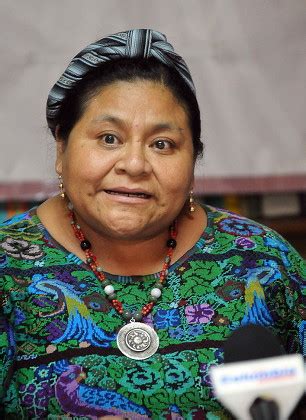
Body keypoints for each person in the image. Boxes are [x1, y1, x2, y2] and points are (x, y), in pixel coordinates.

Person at [0, 29, 304, 420]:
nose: (135, 165)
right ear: (62, 147)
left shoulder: (263, 263)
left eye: (162, 144)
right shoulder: (9, 267)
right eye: (109, 138)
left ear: (193, 161)